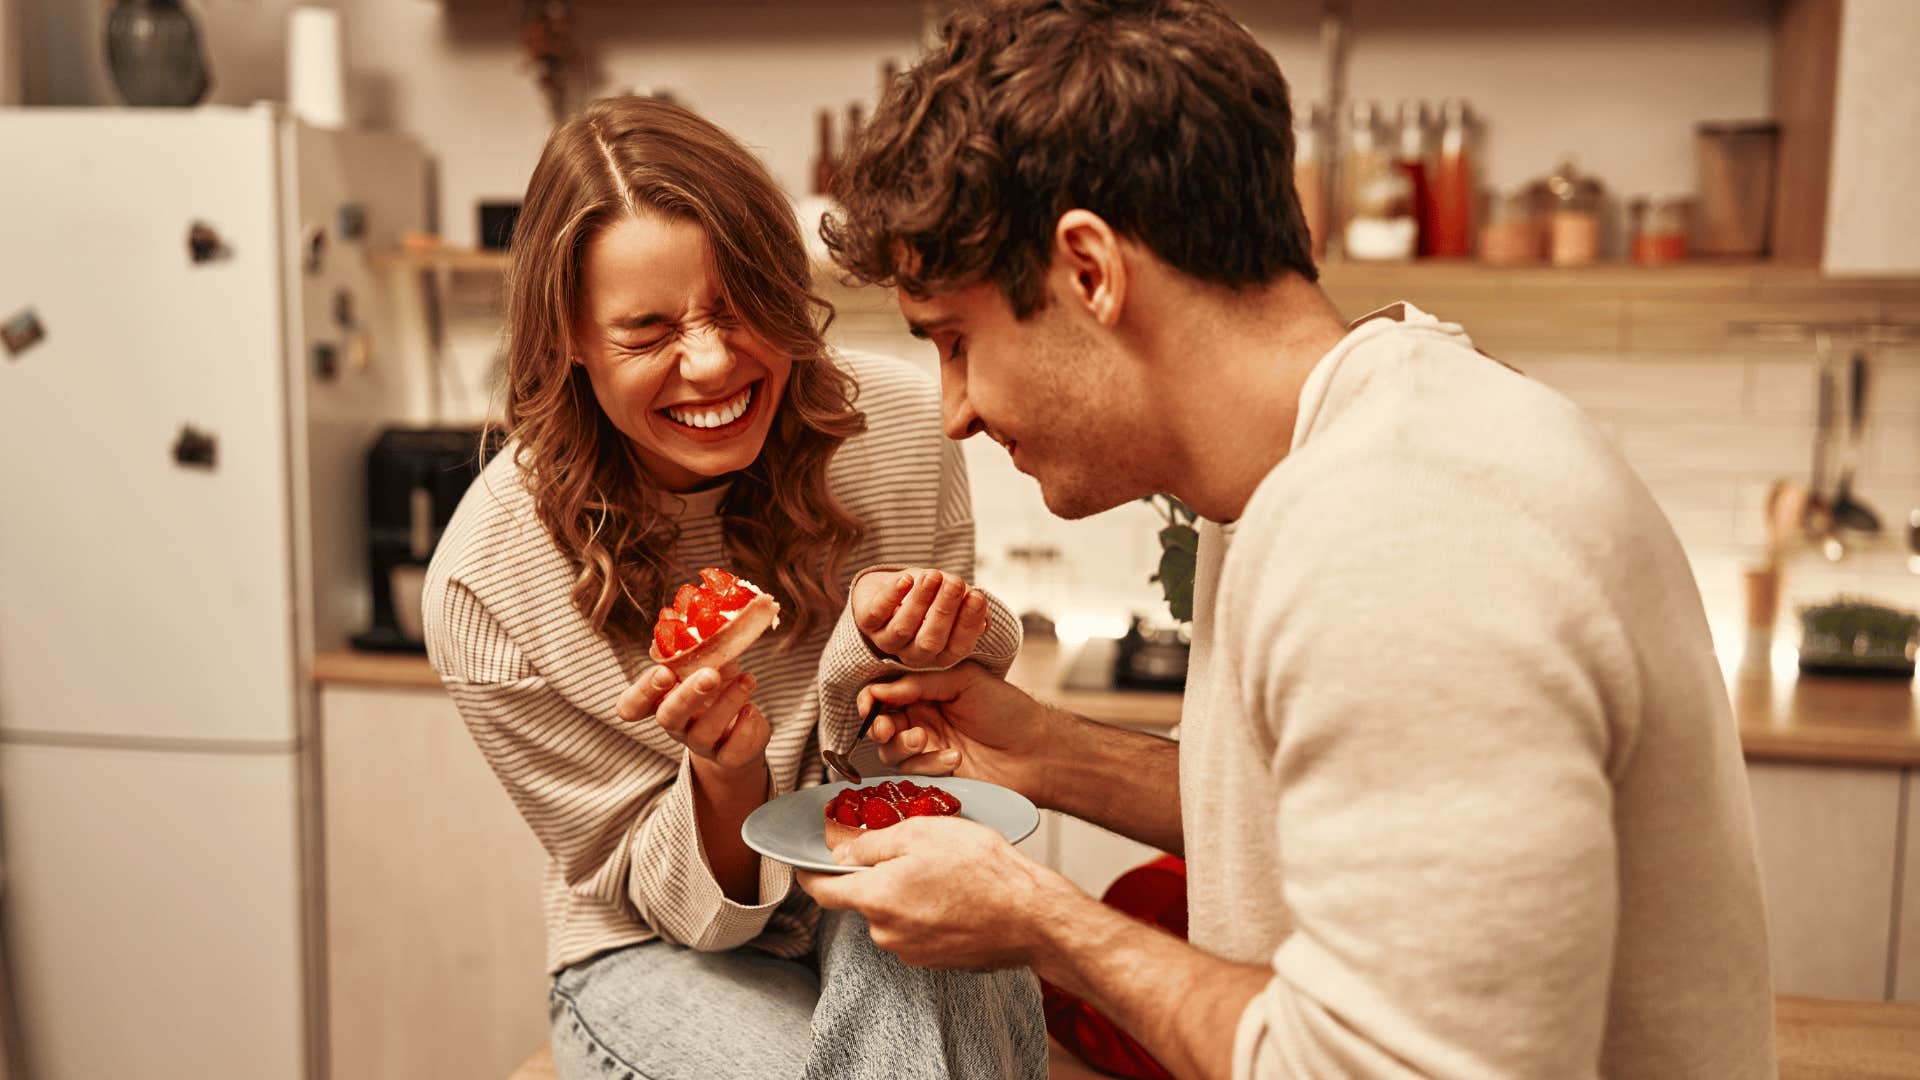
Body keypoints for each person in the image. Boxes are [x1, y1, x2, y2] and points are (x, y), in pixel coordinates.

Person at [799, 2, 1776, 1078]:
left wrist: (1043, 922)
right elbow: (1352, 830)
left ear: (1091, 271)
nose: (954, 412)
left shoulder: (1399, 528)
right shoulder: (1334, 450)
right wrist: (1048, 752)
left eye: (955, 341)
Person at [422, 95, 1046, 1080]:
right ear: (569, 340)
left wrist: (940, 638)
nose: (710, 362)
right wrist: (725, 777)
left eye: (736, 305)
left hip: (871, 860)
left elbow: (930, 770)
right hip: (650, 947)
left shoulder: (904, 432)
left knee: (939, 938)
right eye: (646, 331)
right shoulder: (488, 582)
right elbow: (645, 893)